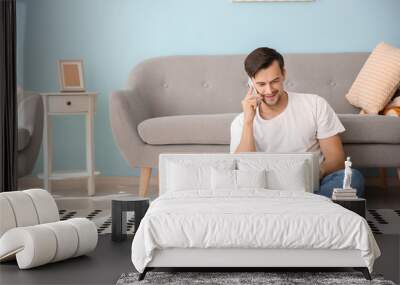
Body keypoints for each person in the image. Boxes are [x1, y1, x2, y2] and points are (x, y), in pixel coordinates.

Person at [230, 47, 364, 198]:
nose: (269, 90)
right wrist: (249, 122)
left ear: (284, 74)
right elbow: (242, 170)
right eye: (261, 84)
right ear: (251, 83)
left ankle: (296, 208)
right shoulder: (241, 122)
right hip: (268, 191)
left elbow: (336, 159)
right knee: (240, 192)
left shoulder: (315, 104)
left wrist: (307, 175)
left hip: (312, 186)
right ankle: (311, 210)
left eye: (275, 81)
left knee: (352, 178)